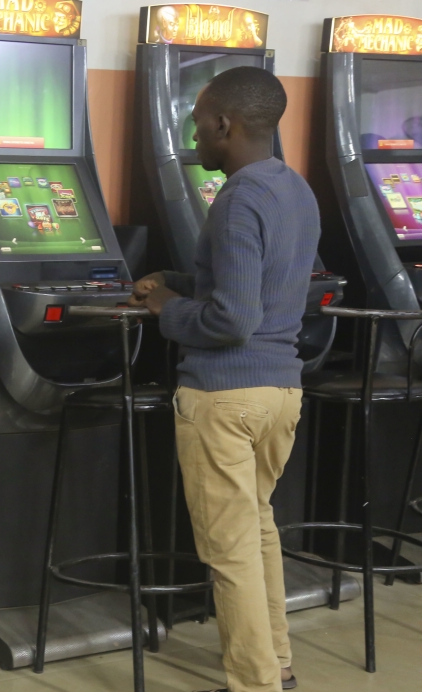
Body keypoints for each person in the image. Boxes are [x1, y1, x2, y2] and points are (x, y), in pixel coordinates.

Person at [128, 66, 315, 692]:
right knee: (257, 531)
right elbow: (255, 283)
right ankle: (277, 664)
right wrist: (176, 282)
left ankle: (254, 683)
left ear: (224, 124)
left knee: (229, 551)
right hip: (281, 392)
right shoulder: (294, 189)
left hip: (225, 395)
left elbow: (233, 319)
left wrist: (165, 310)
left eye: (198, 123)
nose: (193, 135)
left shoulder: (236, 200)